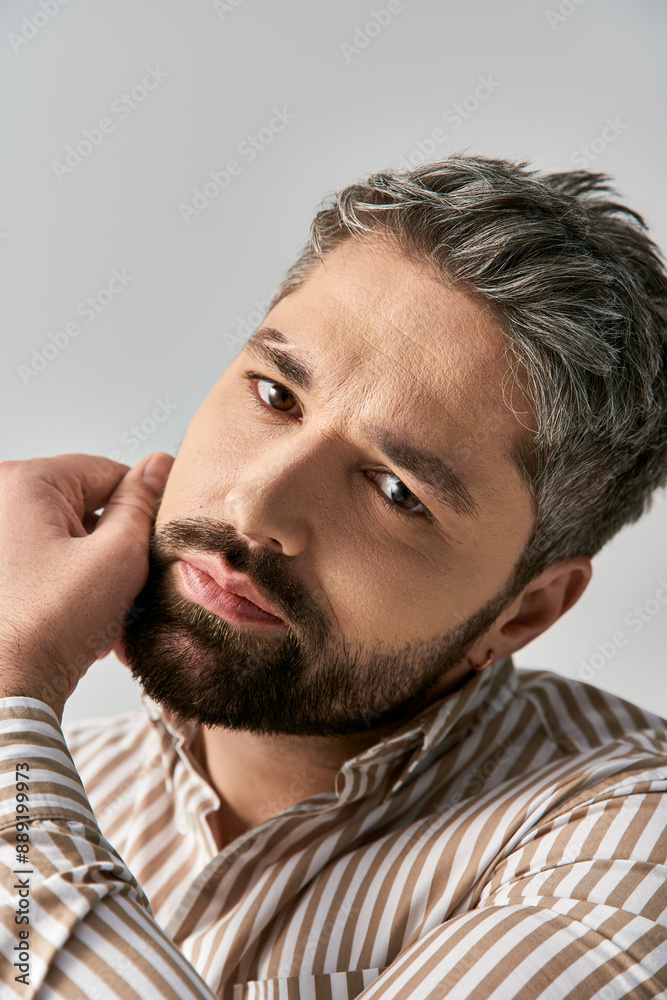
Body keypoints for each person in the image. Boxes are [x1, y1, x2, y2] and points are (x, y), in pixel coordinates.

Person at [1, 155, 666, 999]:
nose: (256, 508)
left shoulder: (627, 848)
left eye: (396, 490)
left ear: (523, 613)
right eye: (275, 395)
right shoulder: (56, 779)